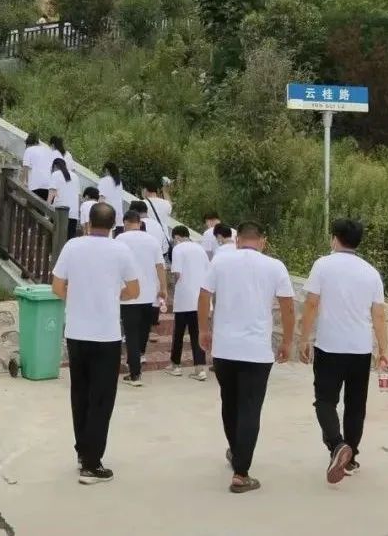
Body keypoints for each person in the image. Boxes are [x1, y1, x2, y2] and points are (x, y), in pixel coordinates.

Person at [198, 221, 295, 494]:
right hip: (256, 351)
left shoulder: (221, 262)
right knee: (250, 408)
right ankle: (241, 473)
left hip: (225, 349)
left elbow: (204, 295)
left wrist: (204, 329)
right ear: (263, 241)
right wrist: (287, 341)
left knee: (230, 403)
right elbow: (288, 307)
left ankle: (236, 451)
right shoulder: (275, 266)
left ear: (238, 240)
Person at [51, 203, 140, 485]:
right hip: (106, 335)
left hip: (76, 332)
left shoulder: (72, 247)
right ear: (114, 226)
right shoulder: (121, 250)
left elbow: (57, 286)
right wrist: (114, 296)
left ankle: (82, 452)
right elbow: (134, 290)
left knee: (80, 394)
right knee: (101, 399)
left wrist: (77, 300)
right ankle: (92, 465)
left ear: (88, 222)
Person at [299, 218, 388, 485]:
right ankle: (350, 457)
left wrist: (304, 339)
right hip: (359, 349)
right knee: (355, 404)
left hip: (329, 346)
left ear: (335, 238)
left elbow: (311, 304)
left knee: (325, 401)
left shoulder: (322, 265)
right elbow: (379, 314)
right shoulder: (371, 272)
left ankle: (337, 445)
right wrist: (384, 349)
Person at [116, 210, 167, 387]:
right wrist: (164, 288)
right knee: (143, 331)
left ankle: (135, 373)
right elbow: (160, 266)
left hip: (129, 294)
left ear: (125, 222)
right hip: (149, 294)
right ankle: (139, 357)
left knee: (131, 333)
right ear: (139, 222)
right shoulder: (152, 240)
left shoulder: (120, 239)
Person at [167, 225, 209, 380]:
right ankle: (200, 368)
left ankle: (176, 365)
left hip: (184, 298)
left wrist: (173, 288)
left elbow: (177, 273)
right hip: (199, 298)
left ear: (176, 237)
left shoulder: (178, 249)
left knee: (178, 333)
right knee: (197, 333)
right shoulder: (200, 249)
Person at [48, 158, 81, 239]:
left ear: (55, 166)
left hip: (59, 212)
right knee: (68, 240)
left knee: (54, 238)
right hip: (73, 214)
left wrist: (47, 209)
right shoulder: (75, 176)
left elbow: (51, 193)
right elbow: (79, 197)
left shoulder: (55, 174)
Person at [21, 133, 56, 199]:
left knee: (31, 204)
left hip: (35, 186)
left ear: (28, 144)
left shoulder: (28, 150)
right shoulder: (47, 150)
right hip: (49, 187)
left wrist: (22, 184)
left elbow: (25, 168)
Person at [97, 162, 125, 233]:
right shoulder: (119, 182)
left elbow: (101, 199)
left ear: (106, 170)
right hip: (119, 217)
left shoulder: (104, 180)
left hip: (107, 215)